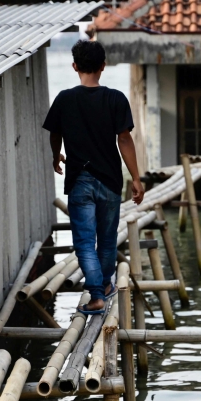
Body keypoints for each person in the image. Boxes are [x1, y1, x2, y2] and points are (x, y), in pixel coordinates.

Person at [42, 39, 144, 314]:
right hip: (110, 180)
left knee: (85, 242)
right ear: (103, 66)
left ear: (74, 66)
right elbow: (125, 139)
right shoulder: (115, 98)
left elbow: (55, 133)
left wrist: (56, 155)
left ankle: (97, 294)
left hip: (79, 180)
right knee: (107, 238)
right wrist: (136, 177)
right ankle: (105, 288)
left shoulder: (64, 98)